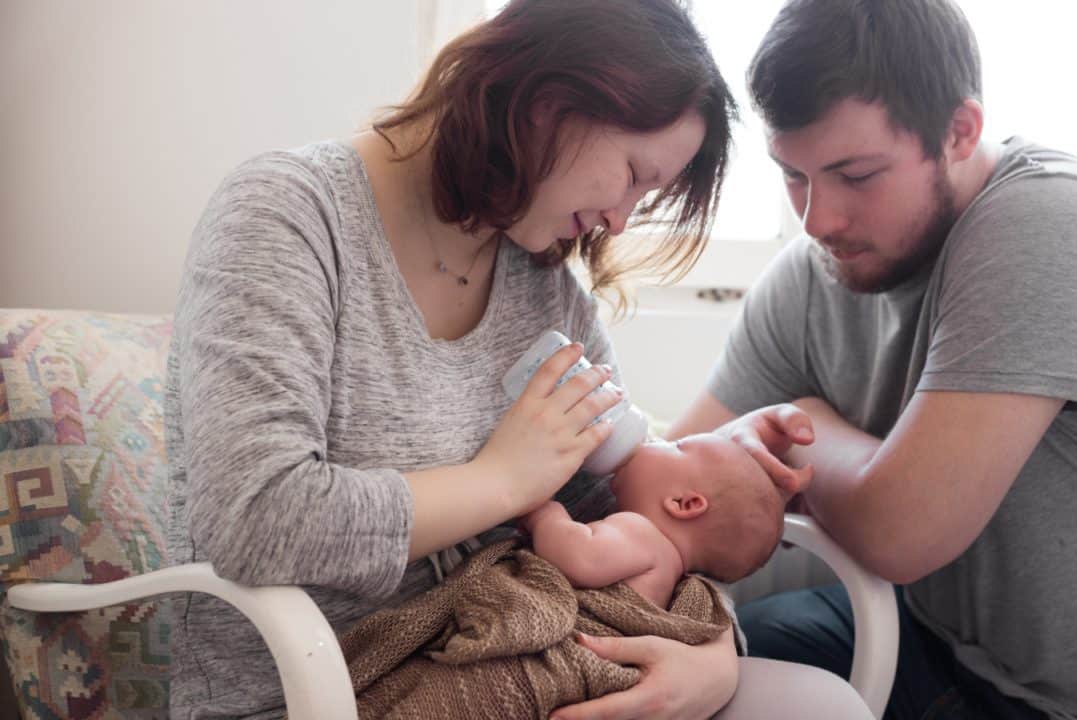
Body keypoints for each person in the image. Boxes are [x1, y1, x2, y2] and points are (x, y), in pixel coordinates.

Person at [164, 1, 858, 718]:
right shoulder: (289, 215)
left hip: (528, 664)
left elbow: (629, 519)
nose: (621, 219)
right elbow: (252, 518)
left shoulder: (546, 291)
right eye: (631, 174)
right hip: (320, 692)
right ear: (548, 105)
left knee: (824, 706)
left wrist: (711, 656)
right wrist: (499, 480)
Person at [668, 1, 1077, 719]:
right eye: (794, 176)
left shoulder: (1052, 221)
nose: (818, 220)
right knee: (745, 651)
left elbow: (903, 532)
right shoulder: (811, 278)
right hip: (958, 655)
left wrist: (802, 421)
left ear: (960, 132)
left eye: (857, 175)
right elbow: (670, 470)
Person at [526, 432, 804, 608]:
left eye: (674, 445)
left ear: (684, 503)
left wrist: (540, 510)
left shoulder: (642, 534)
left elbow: (580, 559)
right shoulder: (667, 574)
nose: (651, 439)